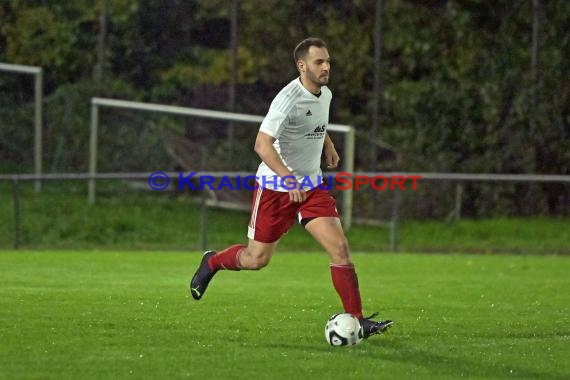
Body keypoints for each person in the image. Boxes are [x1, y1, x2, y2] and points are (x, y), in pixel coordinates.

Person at [190, 37, 392, 339]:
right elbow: (261, 144)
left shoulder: (325, 94)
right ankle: (213, 261)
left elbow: (315, 122)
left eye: (328, 61)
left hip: (310, 187)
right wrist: (288, 178)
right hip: (275, 188)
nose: (326, 67)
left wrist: (328, 143)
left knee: (339, 249)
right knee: (257, 259)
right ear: (302, 66)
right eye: (318, 62)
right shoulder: (287, 99)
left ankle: (358, 319)